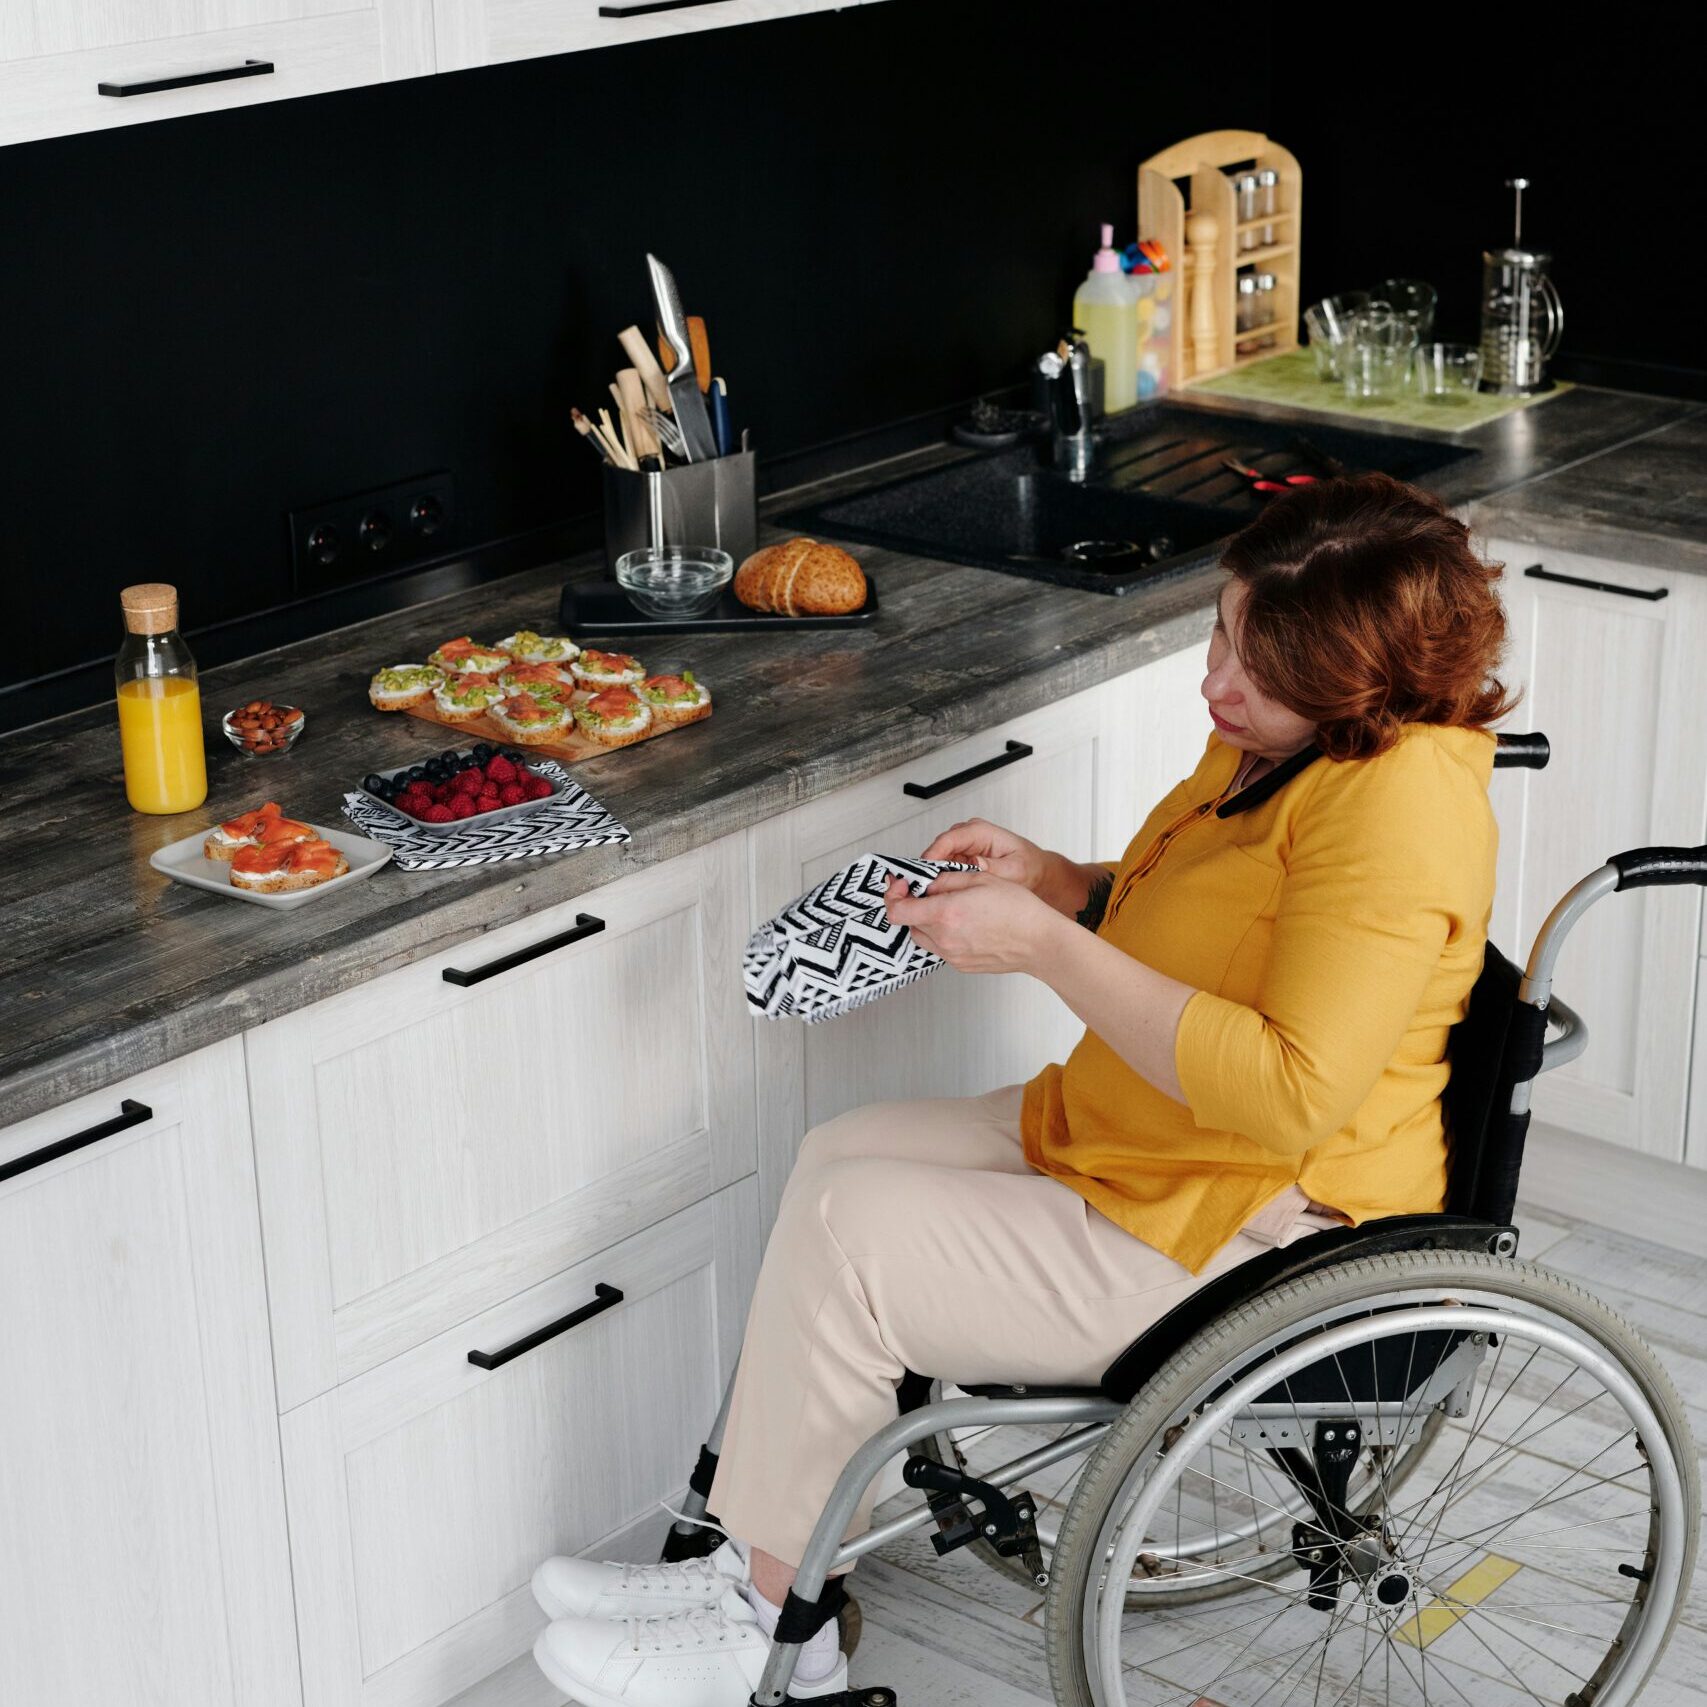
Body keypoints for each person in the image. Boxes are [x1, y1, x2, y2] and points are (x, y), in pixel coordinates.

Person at [529, 473, 1515, 1707]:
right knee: (839, 1155)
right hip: (1147, 1139)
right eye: (1222, 631)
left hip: (1253, 1222)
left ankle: (778, 1630)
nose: (1214, 683)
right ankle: (759, 1551)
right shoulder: (1297, 737)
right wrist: (1066, 886)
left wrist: (1047, 948)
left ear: (1359, 680)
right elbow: (1235, 924)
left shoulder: (1399, 811)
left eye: (1255, 670)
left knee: (853, 1236)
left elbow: (1287, 1095)